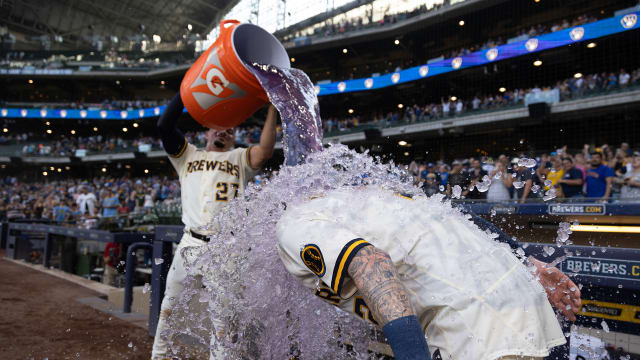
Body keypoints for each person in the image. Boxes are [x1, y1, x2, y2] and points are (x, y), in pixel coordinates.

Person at [276, 187, 580, 360]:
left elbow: (368, 261)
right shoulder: (373, 198)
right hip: (523, 300)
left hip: (475, 328)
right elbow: (453, 212)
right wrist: (528, 262)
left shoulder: (292, 223)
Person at [151, 93, 277, 360]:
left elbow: (265, 151)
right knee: (168, 309)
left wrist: (272, 109)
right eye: (220, 127)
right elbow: (164, 125)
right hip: (190, 243)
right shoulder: (187, 155)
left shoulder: (239, 158)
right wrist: (186, 92)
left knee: (222, 324)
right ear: (208, 131)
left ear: (233, 138)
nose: (225, 132)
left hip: (226, 247)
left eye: (230, 130)